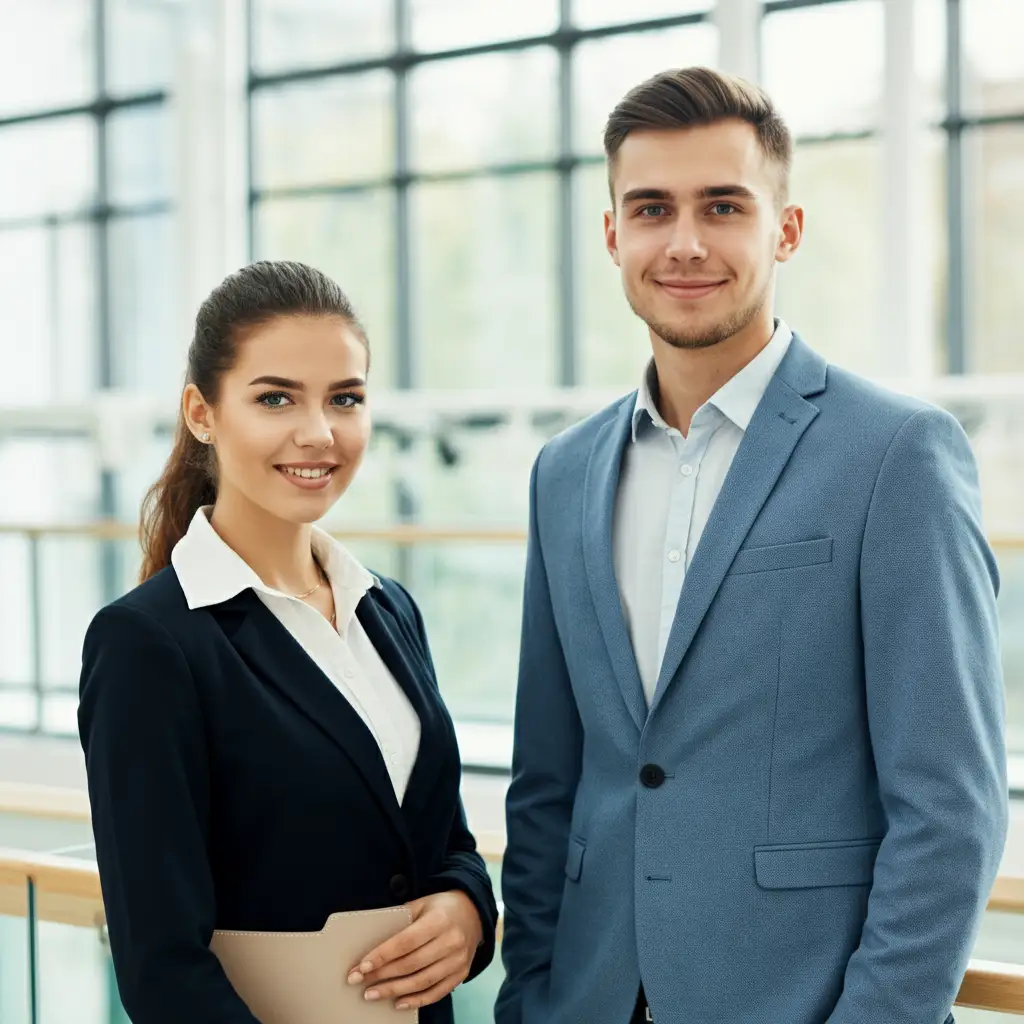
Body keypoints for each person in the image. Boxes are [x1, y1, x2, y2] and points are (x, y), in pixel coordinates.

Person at [496, 67, 1007, 1024]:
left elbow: (951, 810)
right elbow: (548, 786)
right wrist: (529, 997)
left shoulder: (896, 455)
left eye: (722, 206)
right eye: (651, 209)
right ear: (613, 235)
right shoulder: (563, 474)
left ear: (786, 229)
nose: (684, 242)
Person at [79, 260, 498, 1024]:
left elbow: (443, 844)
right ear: (202, 414)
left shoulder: (388, 610)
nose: (319, 433)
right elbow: (162, 966)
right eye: (275, 398)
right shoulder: (148, 644)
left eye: (346, 399)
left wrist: (470, 911)